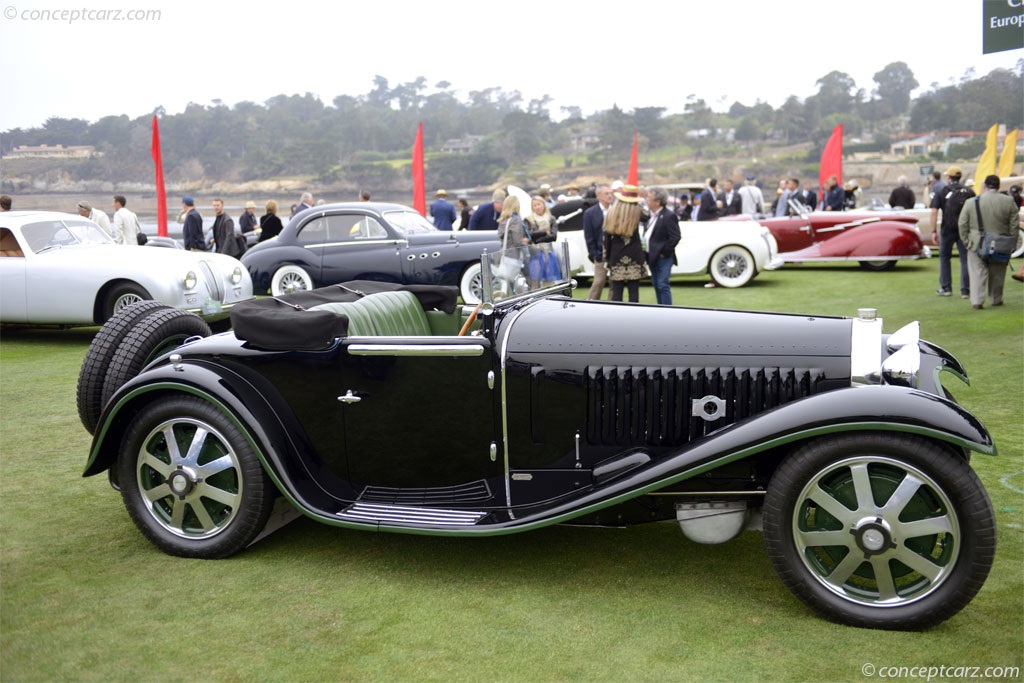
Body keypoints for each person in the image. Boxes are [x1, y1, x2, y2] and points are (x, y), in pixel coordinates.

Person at [958, 175, 1020, 309]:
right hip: (1000, 242)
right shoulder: (1009, 201)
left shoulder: (971, 202)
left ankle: (977, 301)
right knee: (997, 272)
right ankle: (996, 299)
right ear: (998, 186)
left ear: (985, 186)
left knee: (977, 273)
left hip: (976, 242)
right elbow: (1014, 225)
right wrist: (1012, 243)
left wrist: (966, 241)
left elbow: (962, 224)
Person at [930, 166, 973, 298]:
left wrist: (933, 231)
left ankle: (946, 288)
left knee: (944, 258)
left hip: (947, 229)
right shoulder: (969, 192)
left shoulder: (942, 191)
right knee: (965, 259)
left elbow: (934, 212)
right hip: (964, 229)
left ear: (948, 178)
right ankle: (965, 290)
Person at [603, 185, 648, 302]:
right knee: (634, 292)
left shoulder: (611, 213)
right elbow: (647, 215)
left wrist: (607, 259)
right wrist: (636, 204)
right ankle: (634, 317)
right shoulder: (637, 212)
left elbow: (607, 240)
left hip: (616, 256)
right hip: (634, 255)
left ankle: (618, 317)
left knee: (616, 292)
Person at [644, 187, 681, 305]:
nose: (646, 201)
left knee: (662, 284)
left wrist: (664, 252)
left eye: (649, 198)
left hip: (663, 258)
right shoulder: (650, 216)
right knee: (656, 284)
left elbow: (675, 236)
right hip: (651, 256)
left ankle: (667, 310)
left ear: (657, 202)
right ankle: (660, 308)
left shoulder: (668, 215)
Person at [584, 184, 613, 299]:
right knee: (598, 283)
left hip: (615, 254)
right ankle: (590, 306)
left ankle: (613, 307)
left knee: (614, 285)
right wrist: (594, 254)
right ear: (598, 195)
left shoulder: (616, 210)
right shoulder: (590, 213)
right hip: (600, 254)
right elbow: (589, 236)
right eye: (607, 193)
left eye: (611, 193)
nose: (610, 196)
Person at [524, 196, 559, 288]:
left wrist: (538, 239)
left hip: (548, 252)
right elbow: (529, 235)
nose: (537, 207)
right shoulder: (528, 219)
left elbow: (553, 236)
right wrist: (544, 232)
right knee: (535, 280)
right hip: (535, 253)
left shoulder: (551, 218)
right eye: (534, 205)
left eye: (539, 204)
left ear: (543, 205)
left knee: (549, 280)